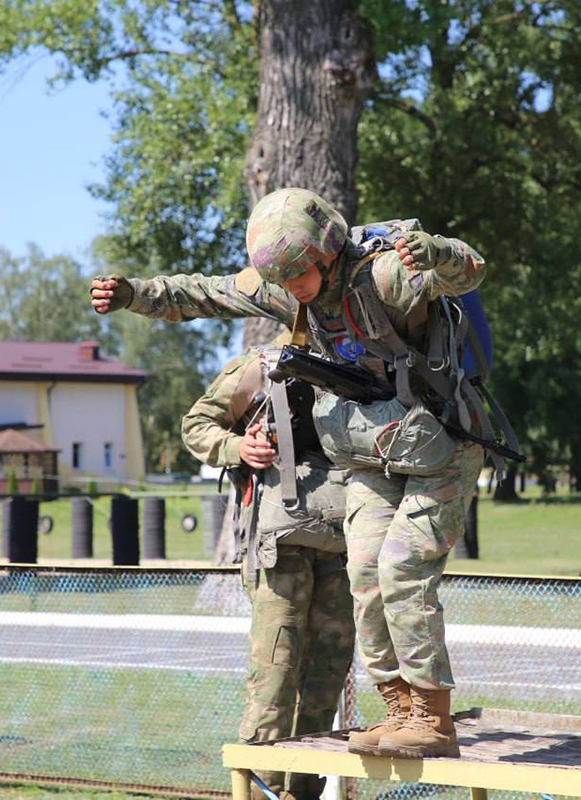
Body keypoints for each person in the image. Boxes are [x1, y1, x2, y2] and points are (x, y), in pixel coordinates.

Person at [92, 188, 488, 759]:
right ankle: (399, 710)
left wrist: (434, 253)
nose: (291, 288)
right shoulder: (282, 288)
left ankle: (432, 716)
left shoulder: (384, 277)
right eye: (281, 279)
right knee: (365, 575)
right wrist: (135, 294)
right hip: (373, 454)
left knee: (403, 569)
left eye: (301, 275)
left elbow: (469, 270)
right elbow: (204, 292)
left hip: (443, 448)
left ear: (329, 253)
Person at [182, 342, 354, 799]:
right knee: (275, 679)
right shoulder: (263, 366)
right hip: (280, 547)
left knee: (326, 678)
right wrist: (238, 446)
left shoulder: (365, 357)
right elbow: (195, 425)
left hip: (342, 545)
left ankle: (301, 793)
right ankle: (261, 794)